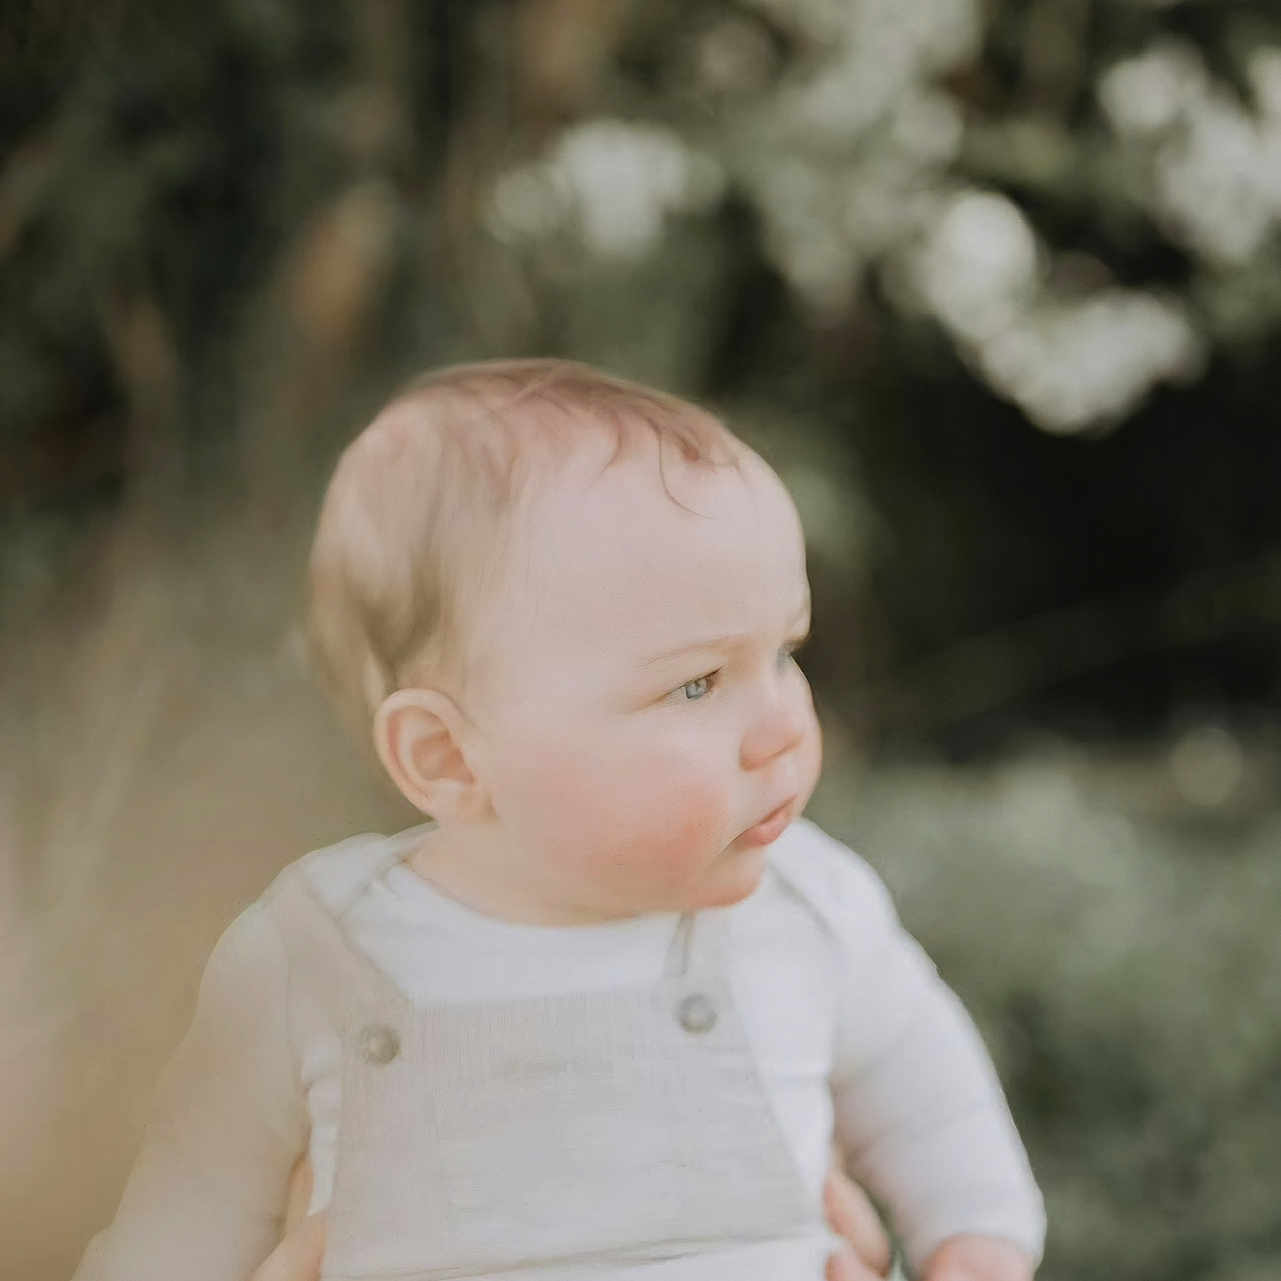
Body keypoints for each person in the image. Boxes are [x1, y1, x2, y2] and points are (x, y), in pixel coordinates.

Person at [74, 360, 1046, 1281]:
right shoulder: (319, 951)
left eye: (785, 653)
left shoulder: (806, 903)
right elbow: (189, 1204)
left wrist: (976, 1239)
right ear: (450, 758)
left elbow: (924, 1084)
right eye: (697, 682)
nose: (783, 727)